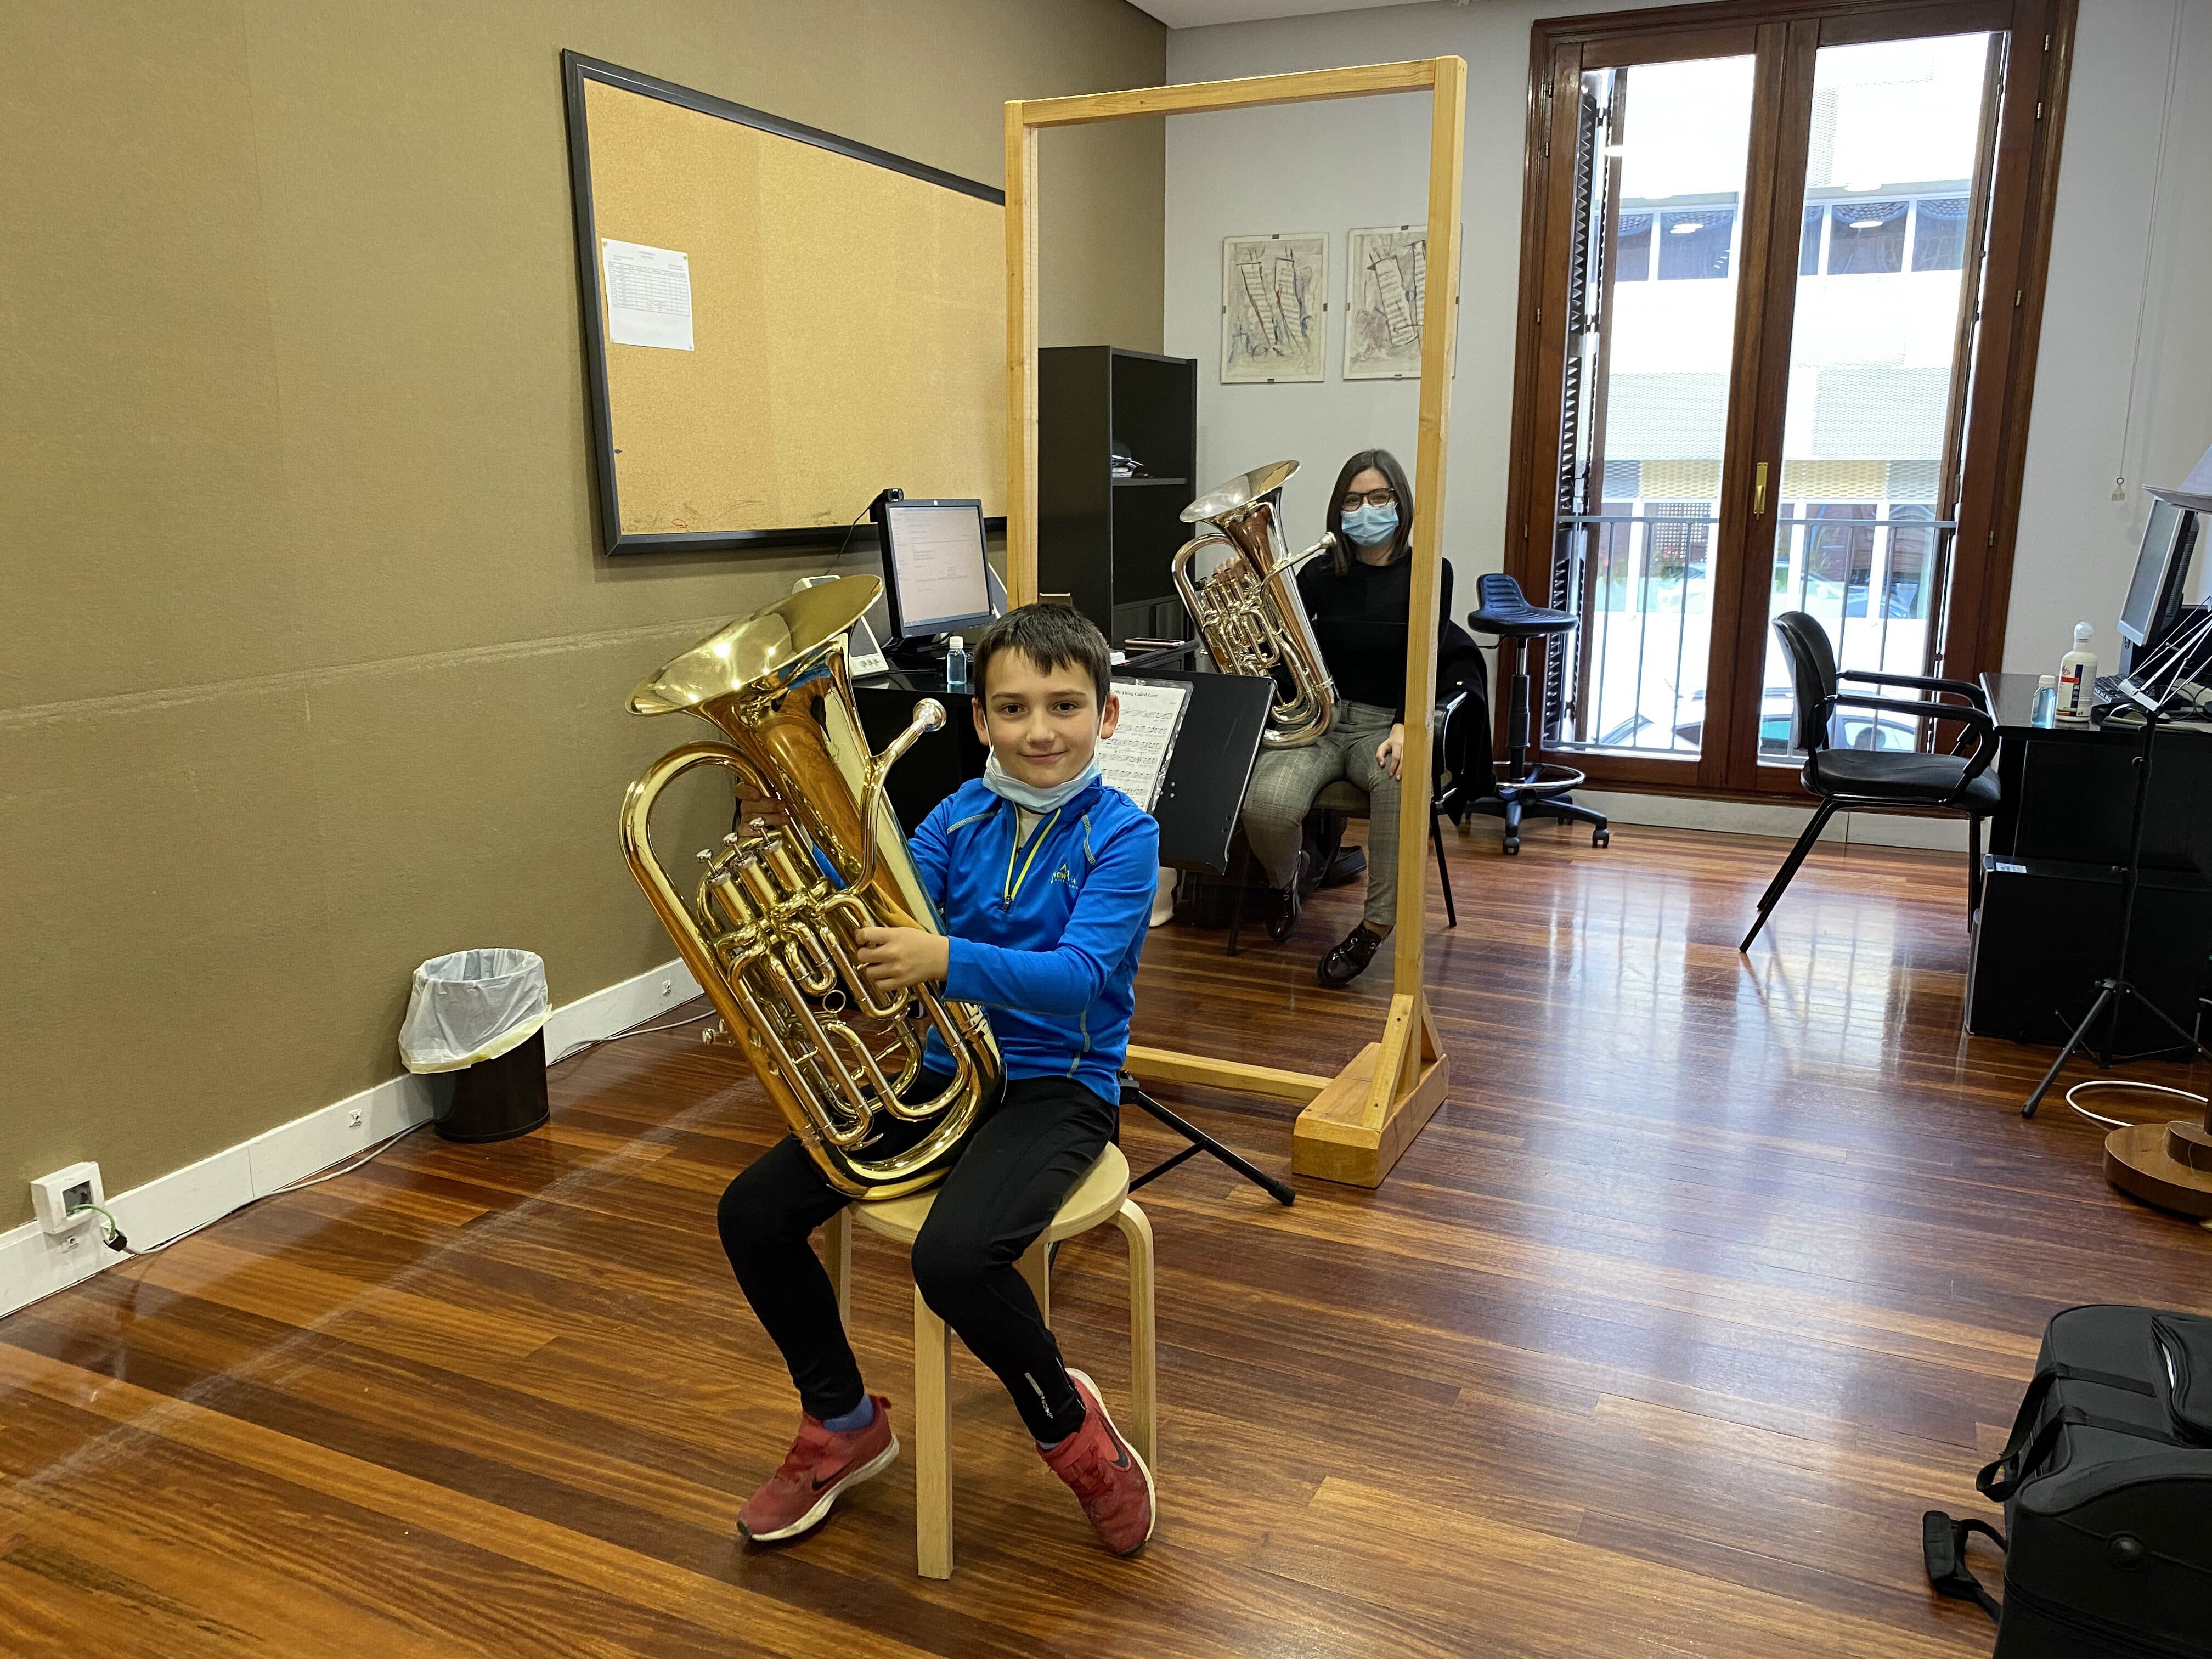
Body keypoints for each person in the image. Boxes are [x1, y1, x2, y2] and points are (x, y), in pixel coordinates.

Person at [716, 603, 1160, 1556]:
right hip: (944, 1070)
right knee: (751, 1212)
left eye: (1064, 705)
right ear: (979, 720)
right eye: (1014, 708)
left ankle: (1071, 1430)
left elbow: (1079, 977)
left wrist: (943, 958)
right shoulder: (956, 816)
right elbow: (879, 914)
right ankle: (842, 1421)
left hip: (1060, 1086)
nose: (1040, 730)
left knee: (953, 1261)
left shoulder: (1125, 835)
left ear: (1107, 715)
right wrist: (812, 921)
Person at [1238, 448, 1454, 988]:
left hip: (1384, 723)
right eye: (1353, 501)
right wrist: (1251, 599)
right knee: (1265, 805)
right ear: (1339, 510)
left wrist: (1406, 726)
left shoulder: (1430, 571)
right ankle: (1287, 881)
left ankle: (1376, 926)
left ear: (1401, 503)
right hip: (1321, 720)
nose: (1366, 510)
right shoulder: (1317, 573)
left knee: (1401, 779)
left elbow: (1428, 659)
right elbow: (1287, 658)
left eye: (1380, 497)